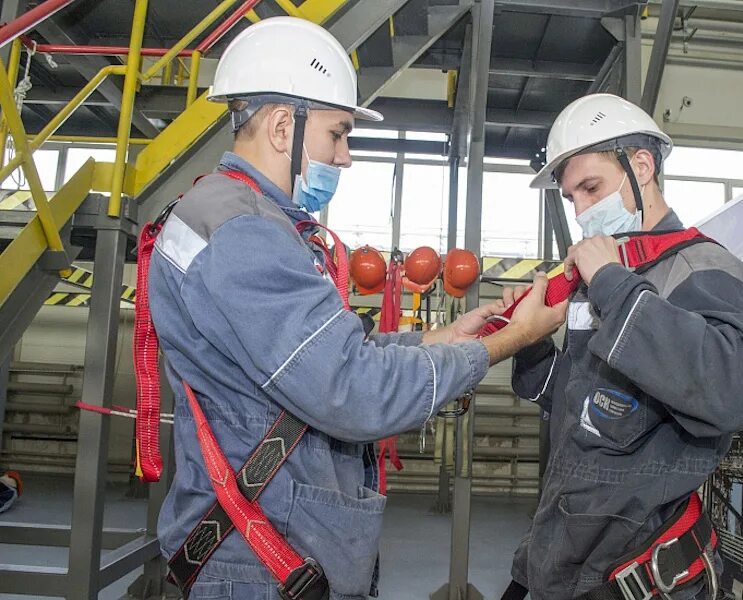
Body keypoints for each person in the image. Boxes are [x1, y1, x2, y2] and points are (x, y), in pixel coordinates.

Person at [148, 16, 567, 600]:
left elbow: (330, 355)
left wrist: (445, 337)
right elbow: (354, 391)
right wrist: (507, 341)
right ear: (279, 126)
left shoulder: (234, 217)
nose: (344, 157)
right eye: (336, 134)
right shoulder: (244, 233)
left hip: (264, 544)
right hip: (259, 558)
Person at [501, 94, 743, 600]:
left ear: (640, 166)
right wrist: (530, 341)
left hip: (637, 579)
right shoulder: (606, 276)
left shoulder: (700, 268)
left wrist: (612, 283)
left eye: (591, 188)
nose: (581, 212)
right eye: (571, 198)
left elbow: (738, 394)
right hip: (559, 561)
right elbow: (578, 409)